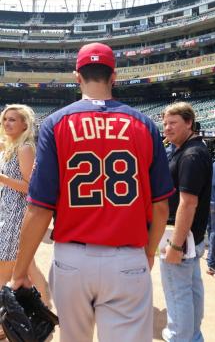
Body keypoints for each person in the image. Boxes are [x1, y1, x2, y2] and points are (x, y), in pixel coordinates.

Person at [10, 43, 174, 342]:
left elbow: (40, 208)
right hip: (128, 258)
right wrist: (148, 253)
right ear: (114, 76)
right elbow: (161, 207)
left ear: (77, 76)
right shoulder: (145, 124)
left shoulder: (55, 123)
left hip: (72, 259)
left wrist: (20, 272)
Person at [160, 102, 213, 342]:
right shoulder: (191, 149)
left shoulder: (191, 154)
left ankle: (179, 338)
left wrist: (176, 245)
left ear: (189, 123)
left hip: (181, 237)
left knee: (177, 293)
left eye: (173, 123)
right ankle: (193, 336)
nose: (167, 128)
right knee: (191, 290)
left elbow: (188, 203)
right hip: (191, 237)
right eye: (165, 123)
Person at [0, 104, 49, 339]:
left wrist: (1, 178)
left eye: (12, 120)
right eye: (5, 119)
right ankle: (45, 312)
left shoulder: (26, 148)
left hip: (18, 215)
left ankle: (5, 321)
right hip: (8, 213)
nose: (7, 123)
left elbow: (30, 187)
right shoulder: (11, 146)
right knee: (28, 268)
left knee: (4, 269)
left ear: (24, 124)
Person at [207, 157, 215, 278]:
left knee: (211, 231)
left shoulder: (214, 163)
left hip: (211, 202)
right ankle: (213, 264)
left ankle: (211, 262)